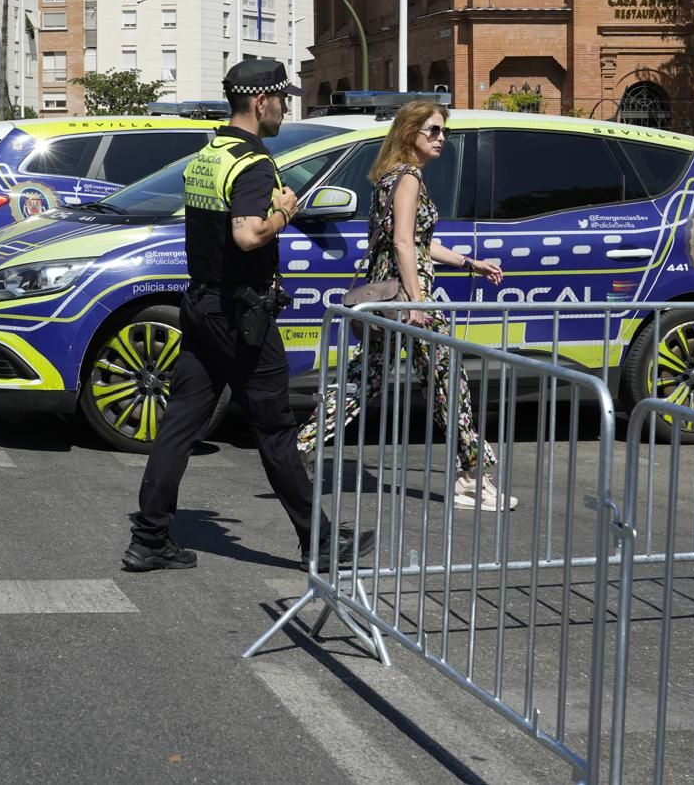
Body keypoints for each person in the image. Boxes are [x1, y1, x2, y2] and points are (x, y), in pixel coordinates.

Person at [124, 59, 376, 572]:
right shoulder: (255, 165)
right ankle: (321, 542)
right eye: (283, 98)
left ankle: (149, 539)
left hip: (202, 304)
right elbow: (246, 234)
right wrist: (286, 209)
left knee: (179, 425)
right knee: (276, 429)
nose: (286, 107)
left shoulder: (208, 155)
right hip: (242, 315)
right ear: (261, 102)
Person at [297, 100, 517, 511]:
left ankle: (301, 447)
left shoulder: (389, 176)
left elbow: (420, 242)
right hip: (408, 299)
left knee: (366, 378)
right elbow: (402, 243)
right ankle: (472, 477)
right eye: (432, 130)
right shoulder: (409, 177)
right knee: (450, 384)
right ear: (409, 132)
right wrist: (416, 301)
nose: (441, 139)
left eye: (444, 132)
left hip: (392, 296)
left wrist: (470, 263)